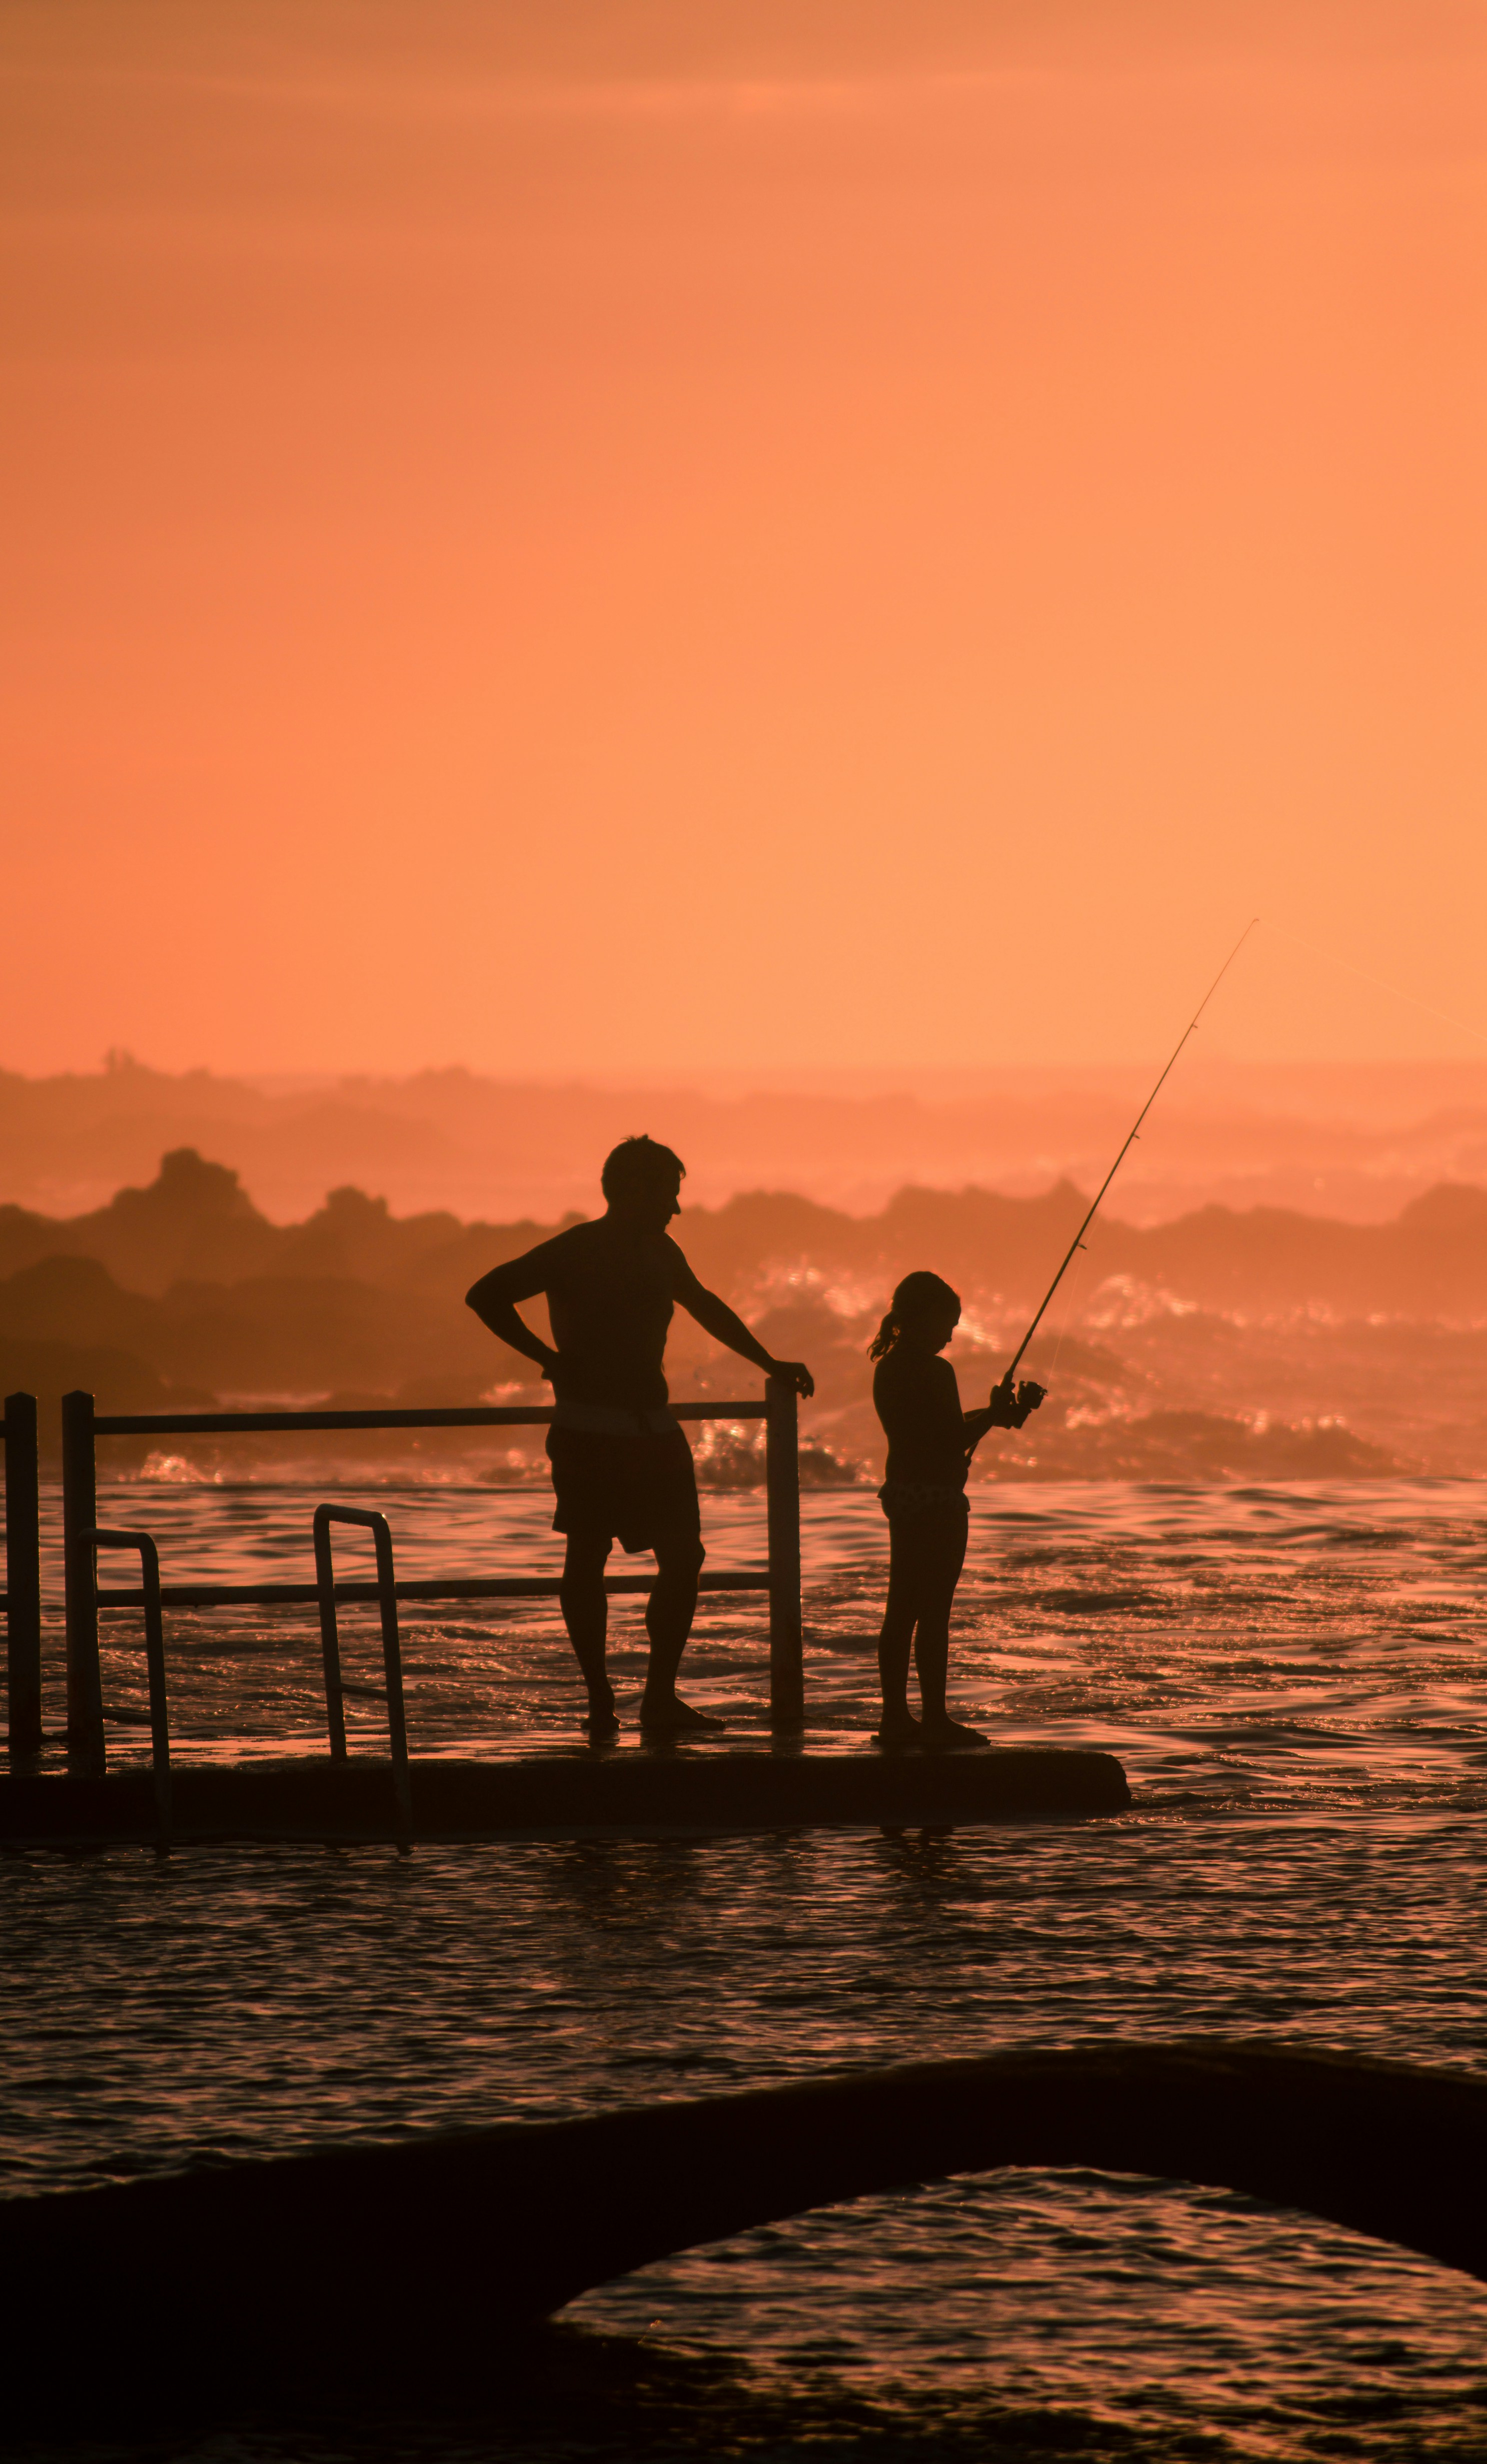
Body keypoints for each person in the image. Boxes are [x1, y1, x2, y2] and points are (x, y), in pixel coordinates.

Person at [466, 1137, 814, 1740]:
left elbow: (705, 1306)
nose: (674, 1208)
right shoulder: (575, 1249)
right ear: (630, 1190)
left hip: (654, 1429)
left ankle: (659, 1698)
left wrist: (771, 1363)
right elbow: (486, 1295)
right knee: (586, 1561)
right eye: (667, 1194)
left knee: (685, 1558)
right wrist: (547, 1358)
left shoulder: (662, 1251)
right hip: (589, 1430)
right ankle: (601, 1700)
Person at [870, 1270, 1045, 1749]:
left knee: (900, 1610)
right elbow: (949, 1438)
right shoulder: (934, 1369)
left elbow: (931, 1431)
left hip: (904, 1495)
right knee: (934, 1613)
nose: (951, 1334)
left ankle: (894, 1718)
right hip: (938, 1503)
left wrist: (994, 1414)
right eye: (947, 1323)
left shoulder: (889, 1366)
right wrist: (992, 1412)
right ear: (923, 1317)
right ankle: (935, 1720)